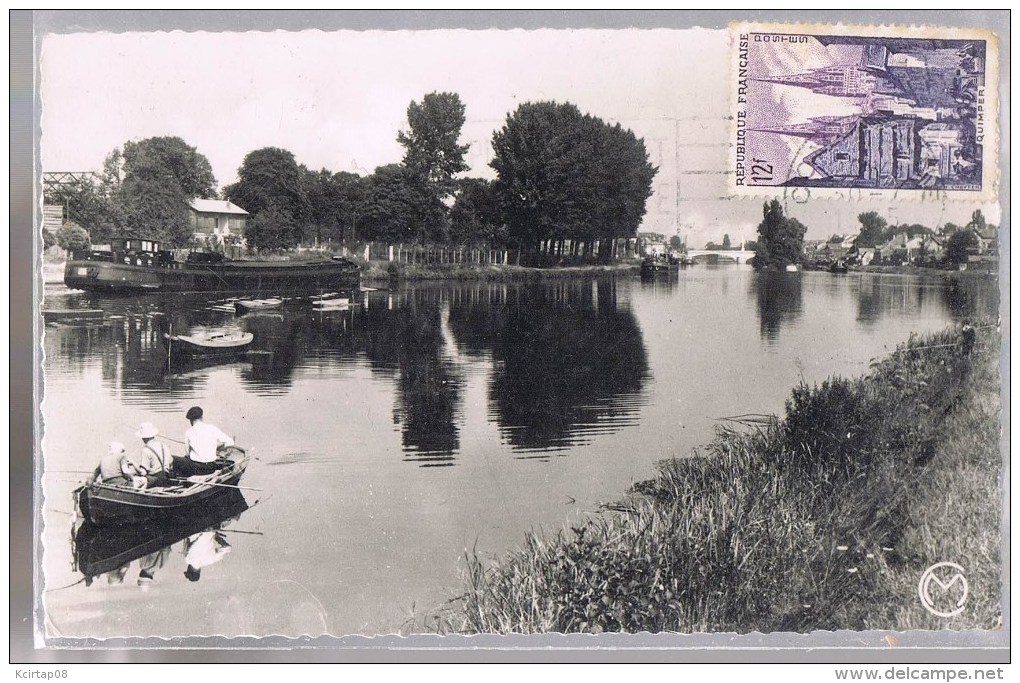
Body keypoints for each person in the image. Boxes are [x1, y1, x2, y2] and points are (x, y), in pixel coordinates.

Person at [178, 406, 234, 477]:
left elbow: (187, 453)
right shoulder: (212, 428)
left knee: (176, 460)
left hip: (196, 469)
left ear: (191, 420)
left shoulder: (188, 432)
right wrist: (220, 448)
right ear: (202, 417)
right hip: (211, 468)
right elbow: (230, 442)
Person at [122, 422, 171, 489]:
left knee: (136, 479)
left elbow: (143, 472)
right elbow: (171, 462)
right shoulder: (164, 445)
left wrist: (133, 463)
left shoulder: (146, 449)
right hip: (166, 477)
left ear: (143, 437)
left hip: (155, 480)